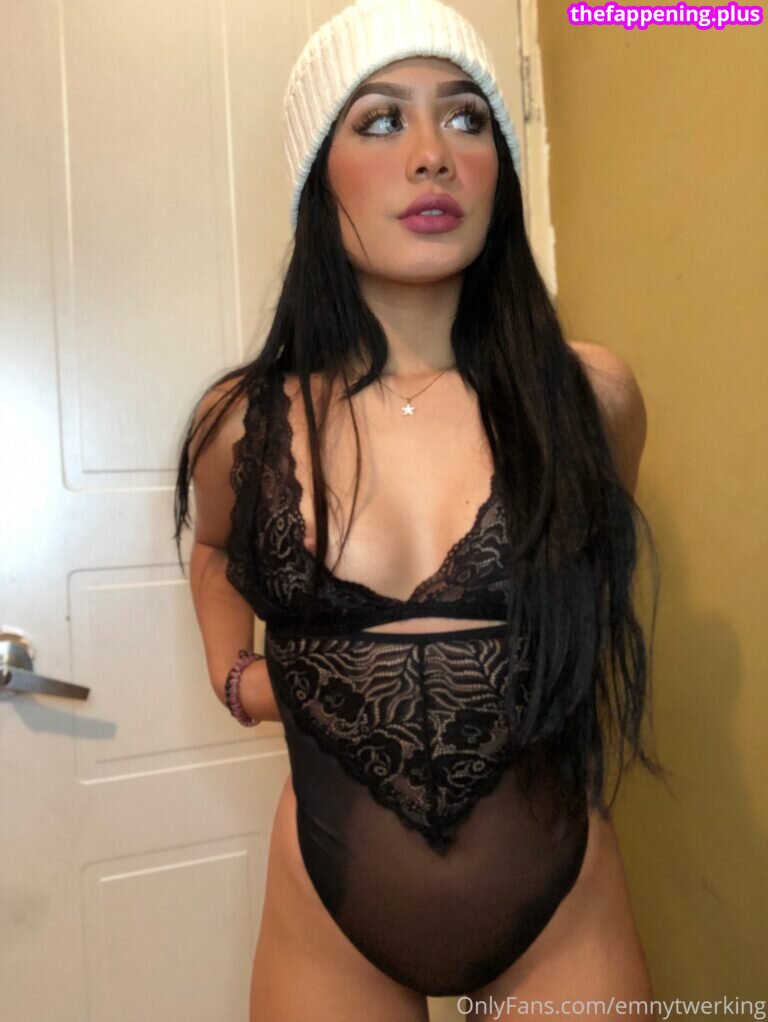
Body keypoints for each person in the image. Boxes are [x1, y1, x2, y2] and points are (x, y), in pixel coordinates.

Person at [174, 0, 665, 1018]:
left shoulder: (589, 399)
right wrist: (236, 676)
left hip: (563, 915)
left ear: (498, 170)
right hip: (327, 919)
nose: (433, 154)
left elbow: (594, 564)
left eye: (467, 118)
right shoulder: (243, 423)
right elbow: (215, 547)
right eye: (382, 119)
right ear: (319, 174)